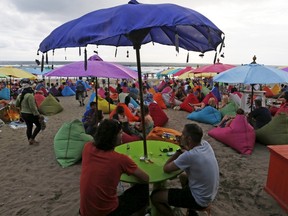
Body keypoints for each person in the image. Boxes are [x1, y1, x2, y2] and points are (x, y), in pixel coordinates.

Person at [80, 119, 149, 216]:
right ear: (112, 137)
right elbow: (146, 178)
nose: (123, 135)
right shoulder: (120, 159)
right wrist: (128, 163)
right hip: (108, 212)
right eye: (120, 133)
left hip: (85, 211)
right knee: (143, 188)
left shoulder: (87, 147)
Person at [150, 124, 219, 216]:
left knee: (155, 197)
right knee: (183, 176)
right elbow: (193, 154)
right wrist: (185, 148)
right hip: (209, 194)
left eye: (183, 134)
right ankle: (191, 210)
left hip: (198, 199)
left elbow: (166, 168)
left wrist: (178, 152)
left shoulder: (189, 156)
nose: (180, 136)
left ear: (189, 139)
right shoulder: (206, 145)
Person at [15, 79, 43, 145]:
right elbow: (32, 107)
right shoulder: (30, 95)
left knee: (29, 126)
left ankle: (30, 140)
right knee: (39, 126)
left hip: (23, 114)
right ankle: (32, 139)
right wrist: (37, 114)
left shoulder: (20, 95)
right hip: (30, 114)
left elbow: (17, 105)